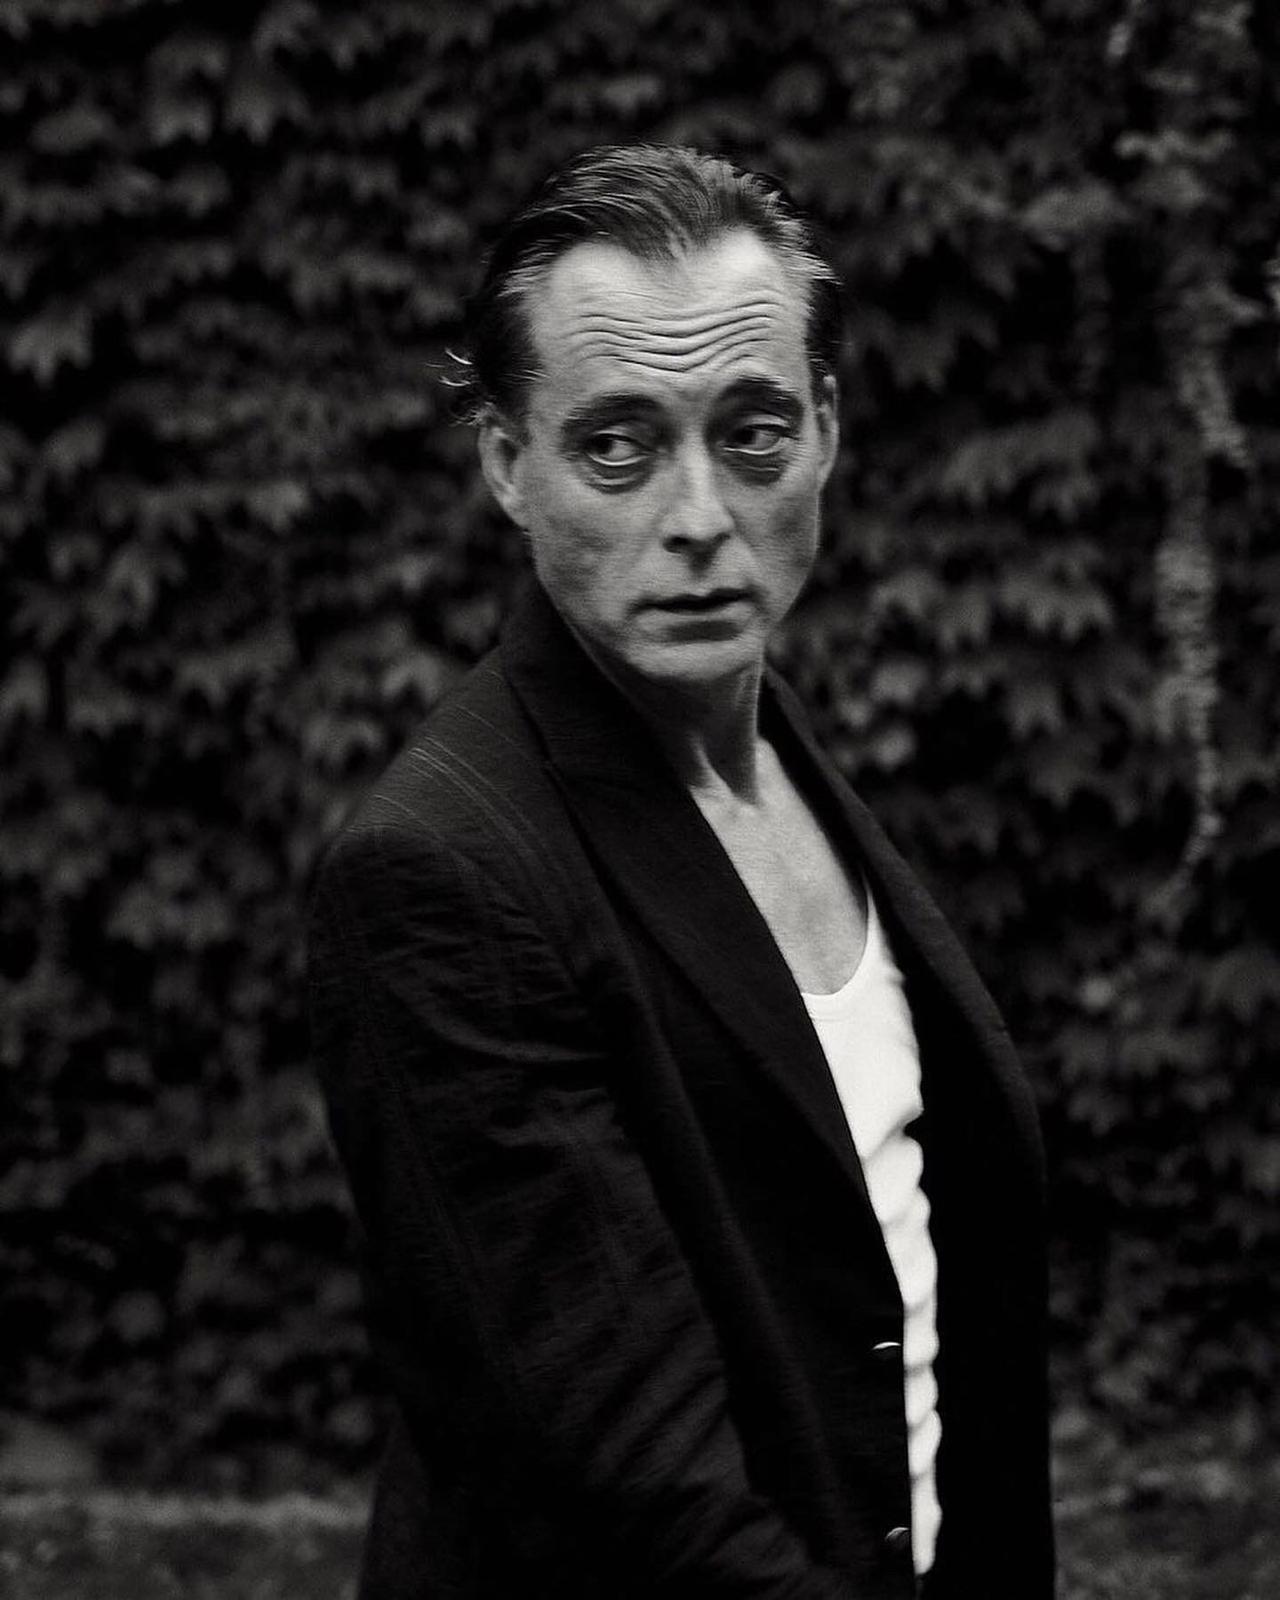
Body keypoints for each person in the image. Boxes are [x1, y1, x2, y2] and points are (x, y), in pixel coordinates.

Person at [308, 143, 1054, 1600]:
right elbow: (623, 1490)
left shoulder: (777, 753)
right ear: (507, 464)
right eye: (618, 445)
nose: (701, 514)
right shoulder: (442, 870)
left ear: (826, 429)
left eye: (753, 431)